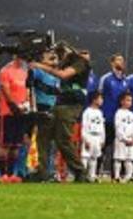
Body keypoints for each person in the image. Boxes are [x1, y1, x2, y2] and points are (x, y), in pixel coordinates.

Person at [29, 46, 91, 183]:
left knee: (63, 139)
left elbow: (63, 75)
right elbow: (54, 70)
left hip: (71, 105)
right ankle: (42, 172)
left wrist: (39, 65)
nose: (57, 59)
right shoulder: (65, 63)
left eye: (59, 55)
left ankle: (80, 171)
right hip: (58, 103)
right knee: (43, 135)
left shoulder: (80, 62)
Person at [0, 54, 32, 183]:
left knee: (16, 145)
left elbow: (27, 91)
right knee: (5, 144)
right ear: (14, 56)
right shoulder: (5, 71)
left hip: (21, 113)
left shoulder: (24, 73)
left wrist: (26, 105)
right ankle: (2, 174)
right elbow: (5, 91)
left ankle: (11, 174)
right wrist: (14, 107)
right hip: (8, 112)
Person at [29, 48, 61, 182]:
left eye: (55, 58)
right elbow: (29, 80)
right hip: (41, 108)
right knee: (42, 142)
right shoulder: (38, 72)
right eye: (50, 58)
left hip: (53, 108)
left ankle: (50, 171)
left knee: (51, 143)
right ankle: (41, 171)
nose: (54, 60)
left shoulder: (57, 75)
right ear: (42, 60)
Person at [98, 54, 128, 178]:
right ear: (112, 63)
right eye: (118, 60)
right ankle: (96, 172)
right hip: (108, 117)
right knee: (104, 145)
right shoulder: (106, 79)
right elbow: (99, 96)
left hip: (121, 120)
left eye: (122, 60)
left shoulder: (125, 80)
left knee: (119, 147)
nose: (121, 62)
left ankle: (116, 174)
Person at [80, 92, 105, 183]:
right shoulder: (87, 112)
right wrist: (85, 139)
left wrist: (102, 139)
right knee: (85, 156)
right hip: (89, 135)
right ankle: (82, 175)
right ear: (94, 100)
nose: (102, 101)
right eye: (100, 98)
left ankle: (91, 176)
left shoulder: (100, 112)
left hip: (97, 137)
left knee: (94, 157)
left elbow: (102, 127)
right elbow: (84, 126)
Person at [112, 92, 133, 183]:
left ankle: (129, 176)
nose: (129, 102)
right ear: (122, 101)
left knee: (129, 159)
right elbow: (118, 127)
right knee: (119, 158)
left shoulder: (131, 114)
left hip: (131, 140)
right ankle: (117, 176)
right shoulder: (118, 113)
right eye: (127, 100)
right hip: (121, 140)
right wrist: (124, 138)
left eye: (130, 101)